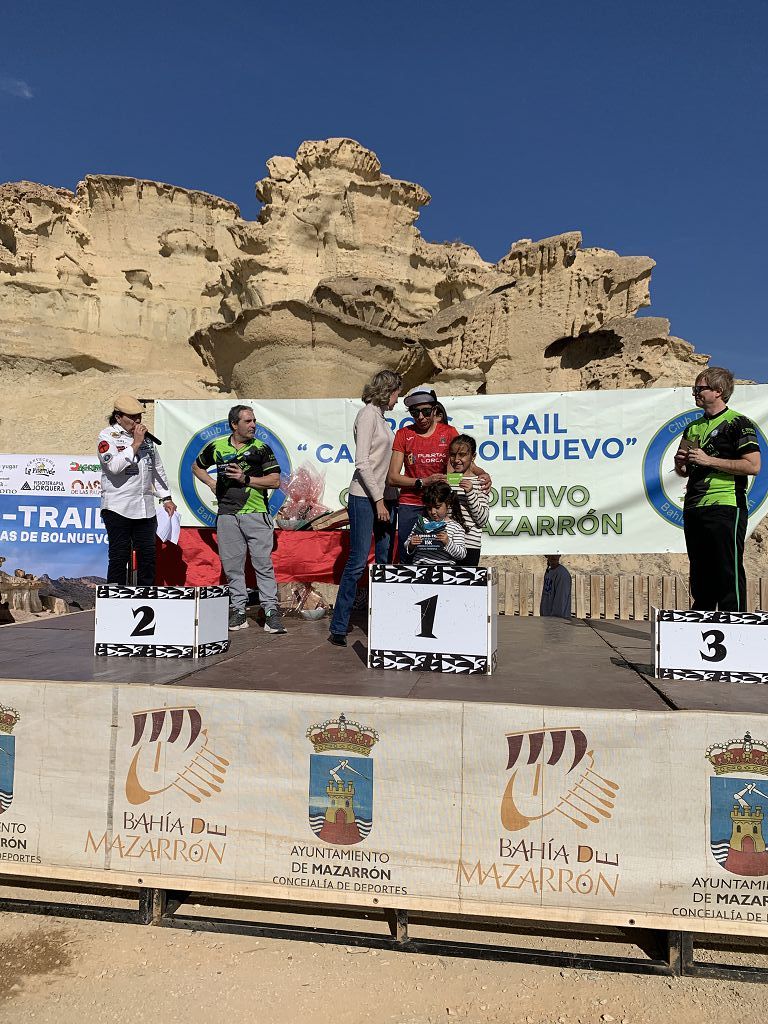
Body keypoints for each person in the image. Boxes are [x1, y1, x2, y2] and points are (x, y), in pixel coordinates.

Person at [192, 405, 287, 634]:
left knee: (262, 565)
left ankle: (271, 612)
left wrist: (245, 478)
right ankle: (238, 610)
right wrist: (211, 483)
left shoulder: (261, 448)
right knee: (233, 567)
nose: (253, 425)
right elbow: (196, 466)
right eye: (248, 421)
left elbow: (275, 480)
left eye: (254, 420)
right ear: (235, 425)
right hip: (227, 515)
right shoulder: (216, 447)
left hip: (255, 513)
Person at [674, 367, 761, 611]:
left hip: (726, 505)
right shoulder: (692, 427)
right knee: (699, 570)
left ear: (718, 391)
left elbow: (753, 466)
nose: (695, 393)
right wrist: (680, 463)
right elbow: (685, 471)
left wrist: (709, 460)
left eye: (699, 388)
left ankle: (733, 622)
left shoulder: (738, 423)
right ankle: (701, 621)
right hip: (694, 506)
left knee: (727, 567)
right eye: (694, 389)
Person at [328, 370, 402, 648]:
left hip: (386, 497)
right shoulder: (368, 414)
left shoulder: (382, 418)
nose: (398, 399)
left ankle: (382, 620)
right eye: (397, 393)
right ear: (389, 390)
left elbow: (385, 464)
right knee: (358, 559)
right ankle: (339, 626)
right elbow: (362, 462)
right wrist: (379, 500)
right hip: (364, 497)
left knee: (384, 559)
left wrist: (390, 495)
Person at [98, 394, 176, 586]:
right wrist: (135, 444)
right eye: (132, 417)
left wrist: (166, 497)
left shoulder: (147, 440)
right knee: (119, 556)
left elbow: (157, 469)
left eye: (139, 416)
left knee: (148, 556)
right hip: (118, 507)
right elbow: (114, 467)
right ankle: (114, 599)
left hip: (145, 507)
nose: (137, 421)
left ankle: (146, 597)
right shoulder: (107, 436)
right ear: (118, 417)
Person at [387, 386, 459, 562]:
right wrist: (423, 482)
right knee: (408, 556)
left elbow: (461, 468)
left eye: (426, 412)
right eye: (414, 412)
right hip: (411, 504)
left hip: (439, 505)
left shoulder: (449, 433)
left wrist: (482, 474)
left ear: (435, 410)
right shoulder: (404, 434)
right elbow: (392, 478)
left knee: (442, 556)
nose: (420, 417)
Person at [447, 434, 489, 567]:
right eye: (453, 455)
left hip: (470, 546)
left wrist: (470, 493)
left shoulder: (481, 481)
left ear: (473, 456)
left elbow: (482, 520)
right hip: (448, 545)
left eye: (462, 455)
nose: (457, 460)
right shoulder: (447, 480)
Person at [406, 482, 468, 564]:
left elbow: (462, 554)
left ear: (448, 504)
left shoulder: (456, 527)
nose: (433, 512)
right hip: (420, 568)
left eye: (437, 507)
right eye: (429, 508)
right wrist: (411, 544)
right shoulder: (422, 522)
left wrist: (447, 542)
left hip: (445, 570)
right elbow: (407, 544)